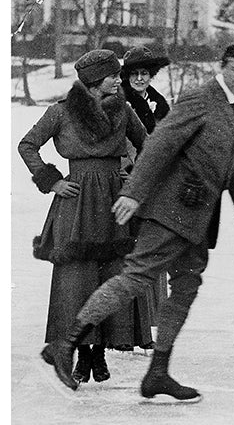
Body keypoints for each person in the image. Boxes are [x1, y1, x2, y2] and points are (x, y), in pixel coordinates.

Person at [39, 40, 234, 401]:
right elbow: (157, 145)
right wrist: (133, 192)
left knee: (186, 286)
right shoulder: (200, 98)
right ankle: (66, 344)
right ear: (222, 66)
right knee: (136, 276)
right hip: (170, 211)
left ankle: (157, 373)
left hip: (198, 219)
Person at [19, 49, 151, 384]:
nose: (118, 81)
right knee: (77, 278)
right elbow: (28, 145)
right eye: (112, 75)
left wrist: (132, 176)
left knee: (110, 274)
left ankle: (100, 354)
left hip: (113, 198)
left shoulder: (123, 110)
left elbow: (148, 145)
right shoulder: (61, 112)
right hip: (76, 200)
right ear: (94, 80)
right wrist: (52, 181)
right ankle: (81, 355)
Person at [119, 45, 173, 349]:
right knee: (127, 255)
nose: (140, 78)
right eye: (135, 73)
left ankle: (147, 327)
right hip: (128, 183)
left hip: (153, 187)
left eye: (145, 73)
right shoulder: (120, 101)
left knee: (151, 253)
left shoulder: (160, 102)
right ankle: (126, 330)